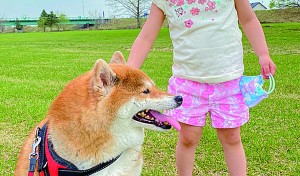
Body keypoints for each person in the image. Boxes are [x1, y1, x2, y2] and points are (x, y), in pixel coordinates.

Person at [127, 0, 276, 175]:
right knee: (188, 137)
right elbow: (146, 36)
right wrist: (128, 72)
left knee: (232, 137)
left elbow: (248, 19)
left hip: (228, 80)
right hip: (187, 82)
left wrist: (263, 54)